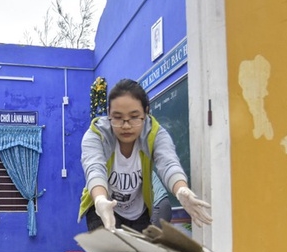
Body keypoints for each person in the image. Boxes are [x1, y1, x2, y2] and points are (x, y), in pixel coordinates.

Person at [78, 78, 212, 232]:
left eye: (134, 117)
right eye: (118, 117)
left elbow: (168, 163)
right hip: (102, 206)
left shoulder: (155, 134)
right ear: (109, 113)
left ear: (146, 112)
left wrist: (181, 189)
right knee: (105, 251)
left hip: (139, 212)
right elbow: (94, 168)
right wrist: (100, 200)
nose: (126, 125)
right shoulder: (96, 135)